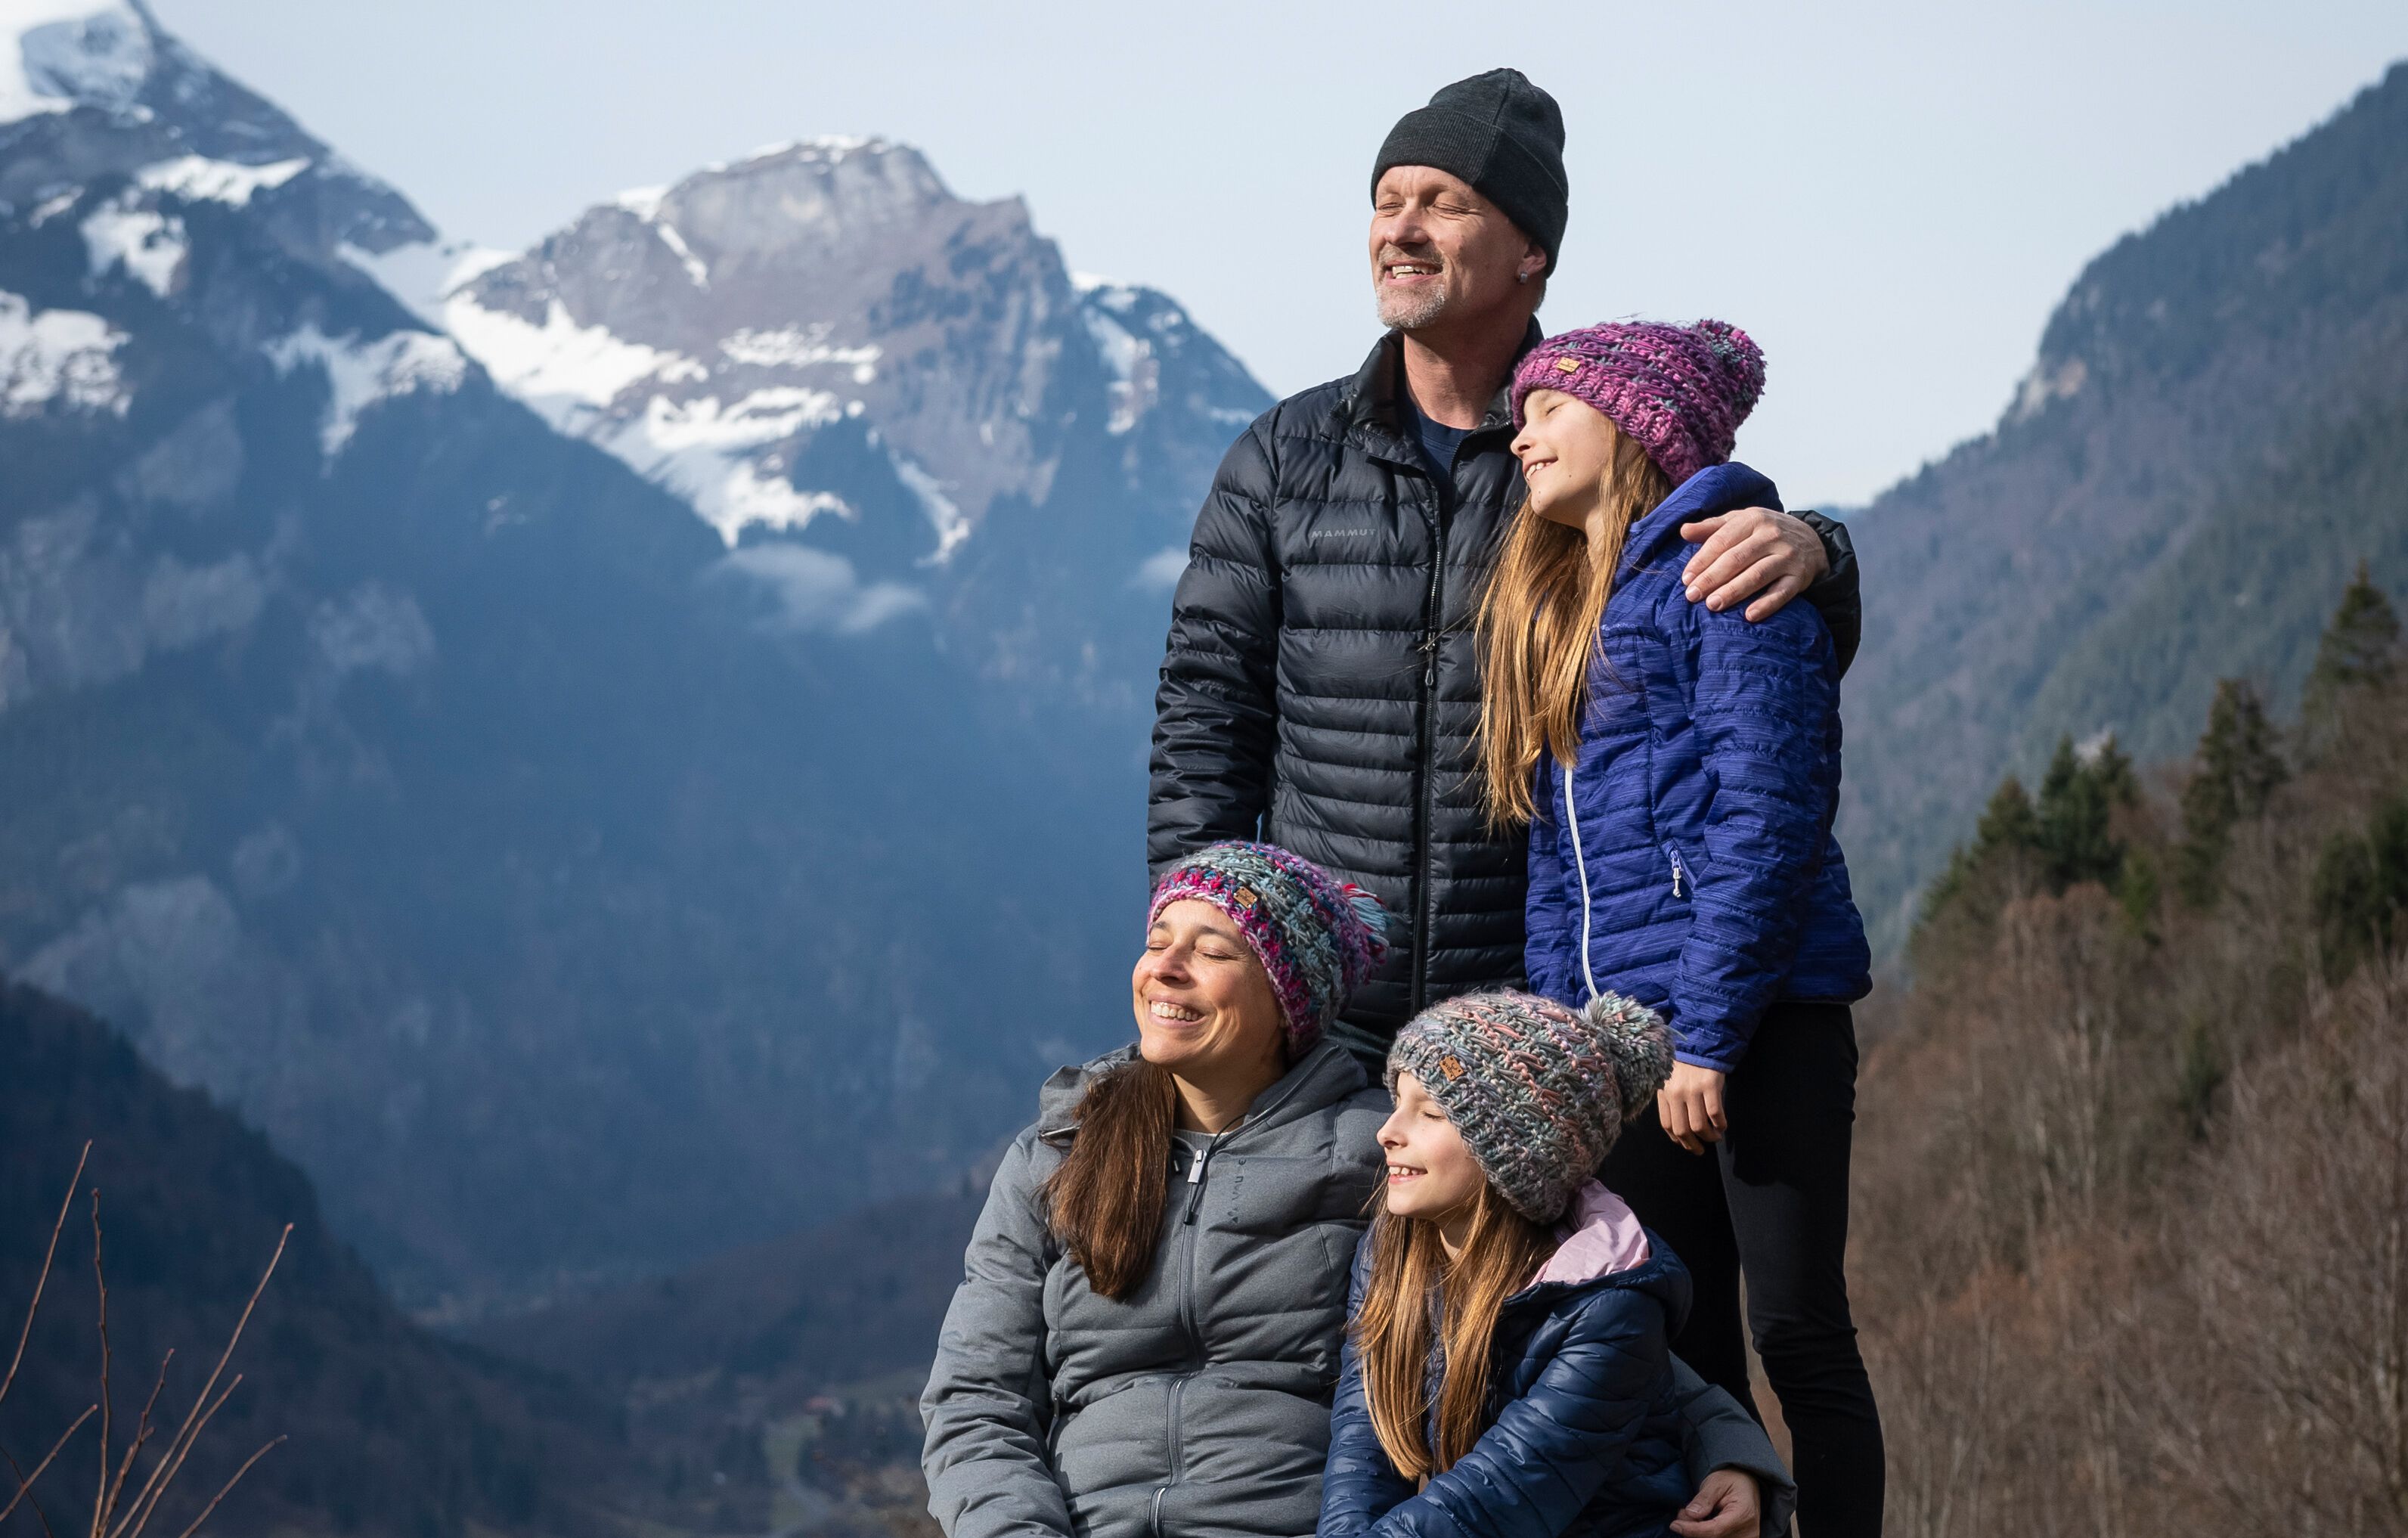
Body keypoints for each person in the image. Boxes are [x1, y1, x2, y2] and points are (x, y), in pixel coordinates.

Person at [1149, 67, 1861, 1070]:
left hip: (1531, 1025)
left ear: (1531, 249)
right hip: (1318, 1015)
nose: (1400, 229)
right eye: (1386, 201)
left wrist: (1819, 550)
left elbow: (1730, 641)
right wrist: (1194, 952)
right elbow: (1204, 723)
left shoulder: (1586, 457)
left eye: (1443, 203)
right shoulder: (1281, 458)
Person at [920, 842, 1790, 1538]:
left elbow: (1566, 1297)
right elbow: (975, 1397)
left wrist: (1725, 1444)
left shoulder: (1387, 1150)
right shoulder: (1058, 1153)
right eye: (1156, 942)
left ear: (1287, 1000)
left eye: (1211, 950)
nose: (1165, 968)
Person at [1488, 321, 1882, 1533]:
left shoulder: (1727, 576)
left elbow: (1769, 819)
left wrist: (1706, 1037)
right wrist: (1574, 1047)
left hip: (1759, 1027)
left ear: (1633, 426)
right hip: (1631, 1050)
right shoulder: (1576, 609)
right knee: (1684, 1341)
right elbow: (1557, 871)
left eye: (1548, 409)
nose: (1520, 435)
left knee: (1797, 1328)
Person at [1320, 989, 1754, 1538]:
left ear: (1518, 1157)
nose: (1387, 1132)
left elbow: (1497, 1494)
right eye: (1398, 1102)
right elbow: (1362, 1443)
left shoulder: (1610, 1307)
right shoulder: (1391, 1250)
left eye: (1430, 1113)